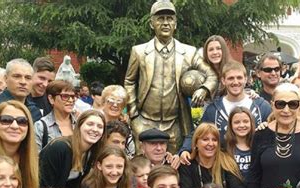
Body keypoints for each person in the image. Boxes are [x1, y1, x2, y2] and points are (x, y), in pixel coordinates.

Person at [125, 0, 217, 154]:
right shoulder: (139, 52)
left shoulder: (189, 52)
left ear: (175, 23)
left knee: (175, 171)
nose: (165, 23)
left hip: (175, 125)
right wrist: (134, 116)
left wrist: (204, 89)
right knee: (143, 172)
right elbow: (129, 82)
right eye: (160, 19)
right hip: (144, 122)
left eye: (170, 18)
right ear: (151, 23)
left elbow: (212, 75)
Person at [179, 60, 271, 161]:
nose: (235, 82)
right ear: (223, 80)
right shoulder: (213, 110)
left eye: (239, 78)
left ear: (246, 79)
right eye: (231, 78)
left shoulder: (262, 107)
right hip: (224, 169)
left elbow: (276, 133)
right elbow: (198, 132)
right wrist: (185, 149)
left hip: (256, 169)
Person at [178, 123, 248, 188]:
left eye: (214, 140)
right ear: (196, 143)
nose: (210, 144)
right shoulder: (187, 165)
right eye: (205, 139)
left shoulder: (227, 163)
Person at [39, 110, 106, 188]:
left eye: (100, 127)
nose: (95, 129)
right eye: (90, 124)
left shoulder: (90, 153)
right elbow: (44, 187)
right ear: (79, 126)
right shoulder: (60, 148)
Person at [34, 80, 77, 151]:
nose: (71, 100)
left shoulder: (80, 123)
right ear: (51, 98)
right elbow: (36, 157)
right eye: (65, 96)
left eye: (73, 96)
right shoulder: (40, 126)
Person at [101, 85, 135, 158]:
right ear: (103, 103)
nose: (115, 105)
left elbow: (131, 153)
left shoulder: (126, 127)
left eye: (119, 102)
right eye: (111, 101)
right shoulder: (96, 124)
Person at [224, 106, 255, 179]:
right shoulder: (224, 146)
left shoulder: (258, 144)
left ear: (251, 123)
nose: (241, 125)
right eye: (237, 122)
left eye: (245, 121)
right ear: (230, 125)